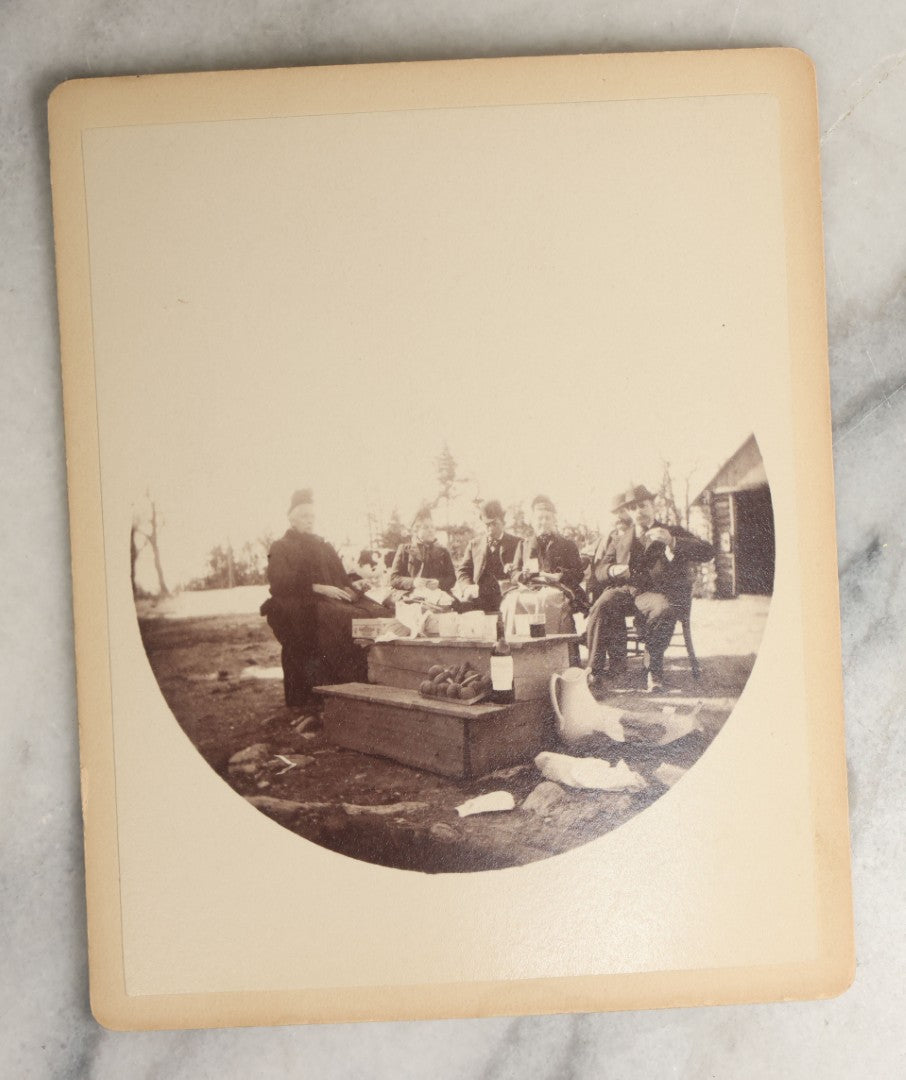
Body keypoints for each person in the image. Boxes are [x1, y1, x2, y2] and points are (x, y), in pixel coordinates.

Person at [260, 489, 388, 711]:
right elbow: (279, 582)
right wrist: (317, 587)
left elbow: (340, 578)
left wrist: (352, 586)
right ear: (291, 519)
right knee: (343, 619)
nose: (309, 522)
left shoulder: (323, 545)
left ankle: (369, 680)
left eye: (312, 517)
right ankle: (334, 691)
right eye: (304, 517)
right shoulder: (280, 547)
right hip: (301, 600)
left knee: (379, 611)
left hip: (332, 599)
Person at [585, 484, 715, 694]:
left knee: (663, 609)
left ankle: (653, 671)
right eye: (634, 507)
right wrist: (611, 569)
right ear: (629, 511)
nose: (639, 511)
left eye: (643, 505)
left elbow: (708, 551)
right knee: (601, 605)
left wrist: (673, 542)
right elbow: (599, 570)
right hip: (626, 592)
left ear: (653, 506)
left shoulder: (671, 531)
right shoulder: (620, 538)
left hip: (654, 594)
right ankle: (594, 672)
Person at [501, 494, 586, 636]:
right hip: (530, 588)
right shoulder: (524, 545)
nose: (543, 522)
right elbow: (514, 573)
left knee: (547, 599)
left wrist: (560, 575)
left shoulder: (567, 545)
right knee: (512, 600)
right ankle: (516, 647)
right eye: (539, 518)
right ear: (533, 522)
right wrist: (521, 575)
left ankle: (552, 648)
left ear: (554, 521)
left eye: (547, 518)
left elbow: (578, 573)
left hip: (557, 588)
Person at [454, 500, 521, 613]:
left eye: (494, 524)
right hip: (479, 600)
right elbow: (463, 571)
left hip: (507, 599)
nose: (490, 528)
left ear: (503, 523)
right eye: (487, 524)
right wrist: (467, 587)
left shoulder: (518, 543)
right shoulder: (474, 544)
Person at [389, 508, 456, 600]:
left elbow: (451, 578)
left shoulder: (443, 552)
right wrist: (413, 582)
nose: (431, 530)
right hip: (412, 598)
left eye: (432, 527)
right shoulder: (404, 550)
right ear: (416, 530)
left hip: (437, 598)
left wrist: (439, 583)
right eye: (426, 527)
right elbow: (393, 579)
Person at [586, 492, 635, 606]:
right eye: (615, 513)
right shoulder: (607, 537)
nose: (618, 517)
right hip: (608, 587)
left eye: (622, 511)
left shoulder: (637, 534)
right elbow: (597, 563)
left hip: (633, 590)